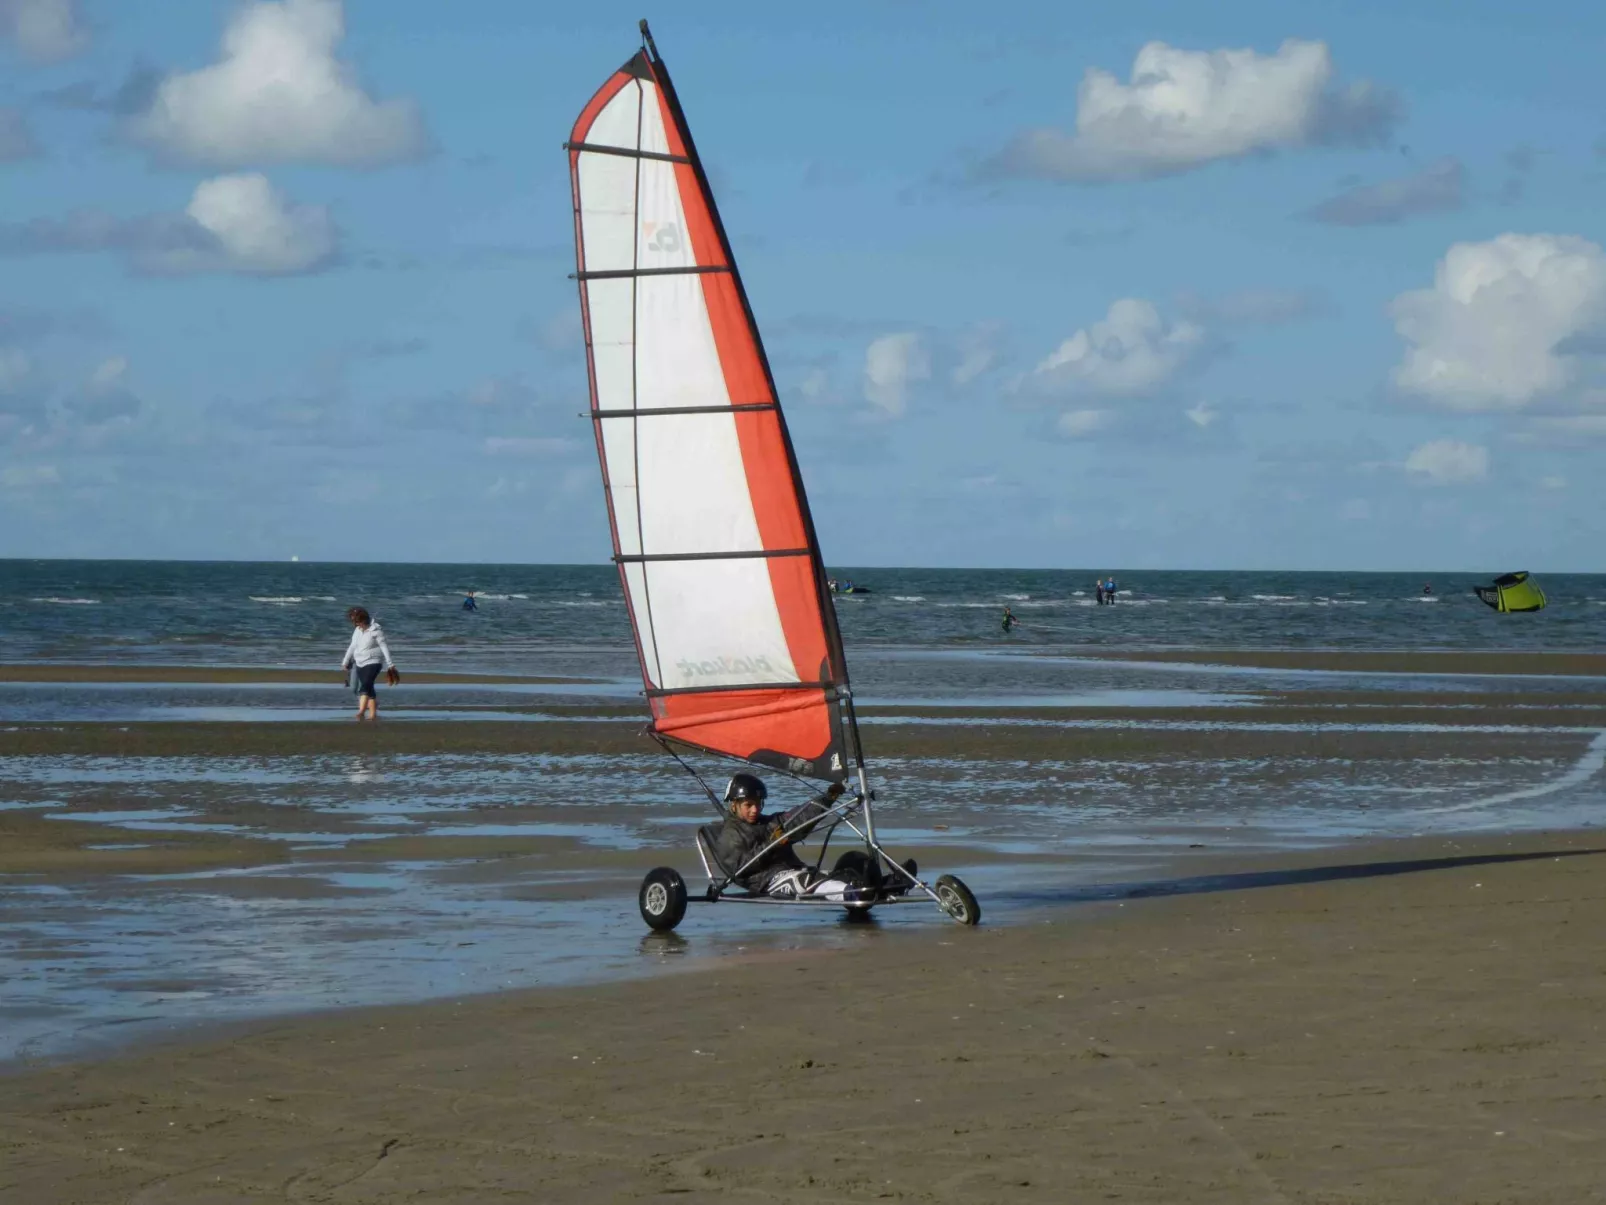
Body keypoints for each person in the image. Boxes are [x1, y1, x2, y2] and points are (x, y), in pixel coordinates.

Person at [701, 772, 915, 901]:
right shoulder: (729, 835)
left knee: (839, 872)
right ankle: (855, 894)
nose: (754, 810)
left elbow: (798, 818)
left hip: (792, 870)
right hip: (765, 881)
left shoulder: (768, 822)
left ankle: (889, 885)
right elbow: (742, 868)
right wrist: (773, 843)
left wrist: (829, 798)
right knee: (806, 881)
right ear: (734, 805)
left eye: (757, 804)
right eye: (748, 805)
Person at [340, 606, 399, 721]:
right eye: (354, 622)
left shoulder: (376, 631)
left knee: (365, 686)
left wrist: (390, 663)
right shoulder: (357, 630)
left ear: (363, 619)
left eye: (357, 621)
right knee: (363, 688)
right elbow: (352, 646)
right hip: (359, 661)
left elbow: (384, 646)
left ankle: (361, 712)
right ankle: (372, 714)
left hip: (374, 661)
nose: (356, 624)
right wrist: (345, 661)